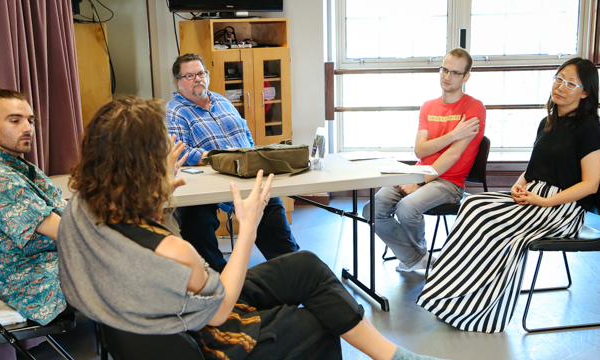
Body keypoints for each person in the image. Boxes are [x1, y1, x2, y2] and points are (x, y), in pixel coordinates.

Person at [57, 96, 445, 360]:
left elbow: (131, 245)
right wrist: (247, 229)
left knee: (305, 265)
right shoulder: (173, 253)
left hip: (152, 318)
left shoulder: (80, 210)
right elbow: (219, 310)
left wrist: (157, 190)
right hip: (200, 339)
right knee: (315, 323)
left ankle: (392, 355)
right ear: (143, 164)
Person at [417, 58, 600, 333]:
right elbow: (532, 171)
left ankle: (477, 310)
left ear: (585, 92)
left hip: (562, 210)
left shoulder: (589, 128)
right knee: (472, 204)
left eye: (570, 83)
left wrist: (544, 200)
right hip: (534, 198)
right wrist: (519, 186)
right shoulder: (548, 123)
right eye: (558, 78)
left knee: (485, 217)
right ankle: (452, 299)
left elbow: (590, 185)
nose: (560, 87)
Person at [166, 53, 298, 272]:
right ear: (178, 82)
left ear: (206, 76)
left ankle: (295, 272)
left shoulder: (221, 100)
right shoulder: (175, 110)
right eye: (189, 76)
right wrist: (219, 159)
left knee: (271, 213)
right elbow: (180, 152)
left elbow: (246, 134)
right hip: (209, 180)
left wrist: (250, 159)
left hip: (246, 172)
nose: (197, 79)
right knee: (194, 219)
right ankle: (219, 281)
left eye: (200, 73)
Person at [364, 48, 486, 272]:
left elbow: (453, 154)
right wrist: (452, 135)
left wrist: (419, 183)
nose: (447, 77)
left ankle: (414, 257)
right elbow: (420, 150)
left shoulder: (473, 108)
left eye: (455, 73)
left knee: (406, 208)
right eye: (444, 70)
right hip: (420, 171)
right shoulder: (428, 106)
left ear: (466, 77)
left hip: (449, 182)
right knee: (371, 210)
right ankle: (417, 257)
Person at [0, 81, 67, 325]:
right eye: (15, 121)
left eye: (30, 120)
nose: (28, 128)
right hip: (31, 281)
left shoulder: (16, 165)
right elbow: (67, 231)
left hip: (52, 262)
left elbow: (67, 214)